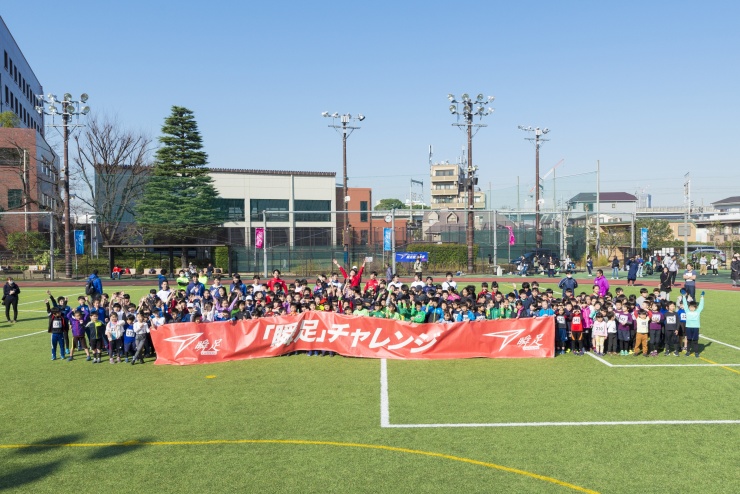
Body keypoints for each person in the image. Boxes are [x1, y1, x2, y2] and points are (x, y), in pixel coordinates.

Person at [684, 292, 705, 358]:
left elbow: (701, 306)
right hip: (688, 327)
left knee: (695, 340)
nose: (692, 308)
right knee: (689, 340)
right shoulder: (687, 311)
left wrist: (702, 297)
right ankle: (688, 351)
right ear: (689, 307)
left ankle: (696, 352)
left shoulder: (697, 312)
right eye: (690, 307)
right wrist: (684, 296)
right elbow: (685, 304)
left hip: (696, 327)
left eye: (693, 307)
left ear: (695, 307)